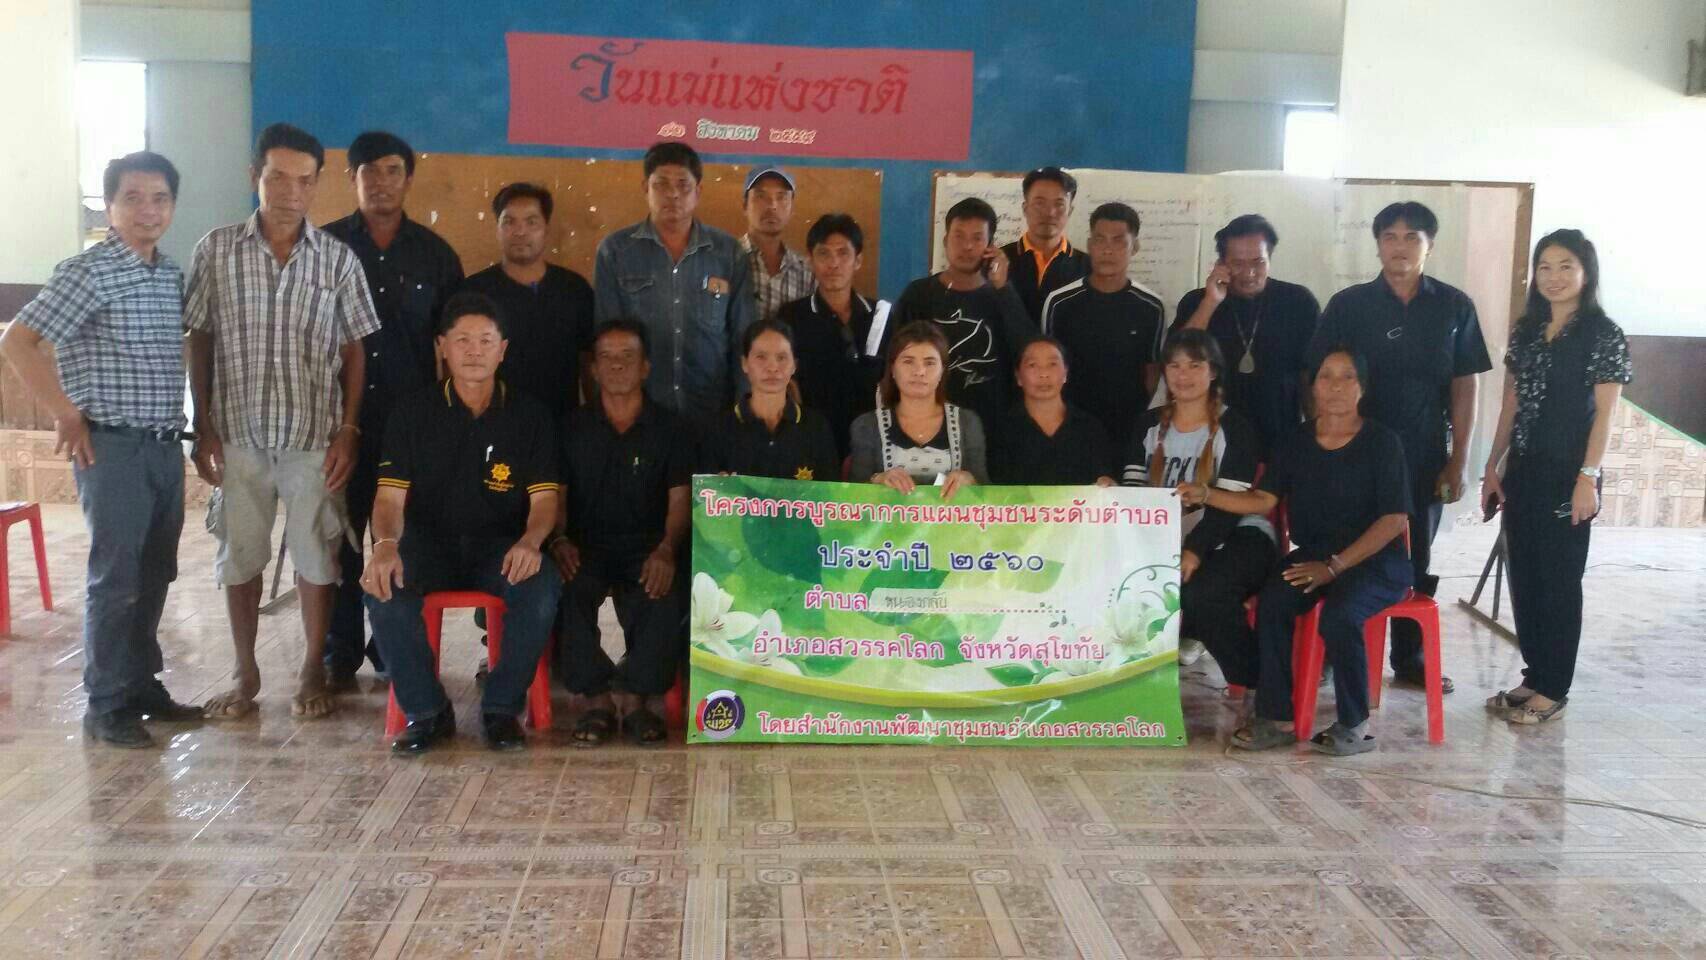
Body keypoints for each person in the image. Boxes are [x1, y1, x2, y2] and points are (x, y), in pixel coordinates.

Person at [0, 152, 203, 748]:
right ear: (110, 206)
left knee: (156, 570)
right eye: (132, 198)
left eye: (160, 198)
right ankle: (107, 703)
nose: (148, 210)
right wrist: (65, 412)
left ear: (172, 206)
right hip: (110, 449)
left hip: (163, 446)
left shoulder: (169, 275)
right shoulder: (87, 273)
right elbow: (18, 342)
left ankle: (140, 684)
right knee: (116, 577)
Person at [186, 123, 381, 720]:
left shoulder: (338, 259)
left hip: (312, 437)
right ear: (255, 177)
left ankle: (311, 668)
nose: (289, 192)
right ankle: (244, 672)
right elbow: (199, 335)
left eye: (303, 180)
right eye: (277, 177)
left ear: (317, 185)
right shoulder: (216, 250)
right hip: (238, 434)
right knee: (239, 555)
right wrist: (203, 424)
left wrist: (349, 428)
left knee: (317, 558)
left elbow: (355, 348)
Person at [360, 293, 560, 753]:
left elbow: (545, 500)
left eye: (485, 341)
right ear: (442, 347)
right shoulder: (412, 413)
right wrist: (385, 545)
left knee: (542, 586)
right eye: (462, 340)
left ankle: (502, 708)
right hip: (427, 546)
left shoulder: (530, 416)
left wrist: (531, 541)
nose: (474, 351)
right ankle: (427, 712)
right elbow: (389, 498)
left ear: (502, 349)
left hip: (499, 548)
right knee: (383, 589)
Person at [1190, 346, 1412, 755]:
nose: (1335, 386)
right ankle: (1276, 717)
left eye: (1347, 376)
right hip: (1315, 554)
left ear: (1362, 388)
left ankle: (1353, 723)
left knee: (1341, 615)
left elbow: (1394, 521)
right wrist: (1207, 494)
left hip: (1376, 561)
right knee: (1274, 602)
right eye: (1326, 376)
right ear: (1313, 387)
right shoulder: (1295, 441)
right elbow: (1263, 499)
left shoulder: (1383, 442)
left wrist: (1335, 567)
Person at [1310, 201, 1491, 694]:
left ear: (1429, 245)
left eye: (1412, 237)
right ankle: (1334, 650)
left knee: (1416, 555)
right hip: (1352, 451)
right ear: (1377, 244)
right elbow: (1319, 377)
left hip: (1422, 453)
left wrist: (1459, 460)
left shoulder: (1454, 306)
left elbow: (1465, 384)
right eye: (1390, 236)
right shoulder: (1348, 305)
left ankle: (1409, 658)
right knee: (1343, 544)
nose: (1400, 246)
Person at [320, 130, 465, 689]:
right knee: (338, 536)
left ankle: (390, 647)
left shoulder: (436, 255)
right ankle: (338, 653)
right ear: (351, 178)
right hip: (338, 423)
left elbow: (454, 345)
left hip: (412, 428)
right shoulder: (325, 248)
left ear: (408, 178)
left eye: (392, 171)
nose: (380, 182)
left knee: (400, 537)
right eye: (369, 172)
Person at [1480, 230, 1632, 725]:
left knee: (1559, 580)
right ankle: (1535, 674)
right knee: (1524, 574)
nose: (1554, 277)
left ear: (1586, 273)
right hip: (1523, 469)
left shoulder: (1602, 333)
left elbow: (1605, 415)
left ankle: (1554, 688)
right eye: (1544, 266)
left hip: (1570, 474)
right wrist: (1493, 465)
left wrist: (1588, 477)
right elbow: (1512, 403)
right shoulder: (1527, 331)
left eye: (1566, 266)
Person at [554, 319, 691, 747]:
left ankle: (636, 699)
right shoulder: (570, 427)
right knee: (560, 588)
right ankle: (596, 698)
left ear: (646, 367)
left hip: (647, 546)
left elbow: (680, 499)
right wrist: (558, 540)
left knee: (667, 591)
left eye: (627, 357)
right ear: (593, 369)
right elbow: (556, 495)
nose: (617, 366)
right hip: (585, 547)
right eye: (607, 358)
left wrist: (667, 549)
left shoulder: (671, 428)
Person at [1121, 330, 1274, 681]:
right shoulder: (1147, 425)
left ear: (1213, 371)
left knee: (1202, 594)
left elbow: (1228, 506)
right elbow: (1134, 494)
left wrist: (1194, 550)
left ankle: (1260, 681)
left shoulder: (1235, 427)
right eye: (1174, 366)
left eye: (1194, 365)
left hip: (1237, 535)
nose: (1183, 375)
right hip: (1165, 539)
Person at [594, 141, 754, 416]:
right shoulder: (616, 252)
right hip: (641, 414)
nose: (673, 194)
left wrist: (744, 410)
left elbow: (744, 337)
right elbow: (607, 340)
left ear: (698, 191)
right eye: (661, 184)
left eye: (683, 185)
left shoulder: (728, 253)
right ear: (645, 188)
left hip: (713, 411)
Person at [1174, 214, 1320, 457]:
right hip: (1209, 442)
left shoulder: (1298, 302)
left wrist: (1317, 436)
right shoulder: (1197, 302)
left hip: (1280, 441)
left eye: (1258, 262)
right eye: (1238, 263)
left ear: (1269, 258)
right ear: (1221, 263)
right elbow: (1177, 359)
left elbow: (1311, 376)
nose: (1249, 273)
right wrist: (1211, 302)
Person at [890, 198, 1032, 430]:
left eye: (977, 238)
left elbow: (1028, 353)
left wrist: (1003, 289)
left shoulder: (1004, 296)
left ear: (990, 246)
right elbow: (893, 360)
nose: (967, 246)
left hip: (993, 425)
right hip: (928, 425)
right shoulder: (918, 295)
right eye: (959, 236)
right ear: (945, 241)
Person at [460, 182, 595, 420]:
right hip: (493, 424)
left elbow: (589, 362)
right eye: (509, 222)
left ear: (546, 229)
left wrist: (594, 420)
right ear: (497, 228)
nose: (520, 232)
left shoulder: (574, 289)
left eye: (531, 222)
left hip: (561, 423)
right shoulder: (473, 293)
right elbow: (457, 364)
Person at [1039, 202, 1165, 445]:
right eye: (1100, 240)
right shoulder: (1059, 302)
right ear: (1089, 245)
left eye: (1118, 241)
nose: (1107, 250)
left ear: (1135, 247)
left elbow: (1152, 374)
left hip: (1127, 429)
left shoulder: (1151, 307)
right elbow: (1047, 367)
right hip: (1069, 427)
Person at [776, 213, 889, 458]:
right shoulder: (791, 316)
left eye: (843, 253)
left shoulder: (881, 316)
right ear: (810, 260)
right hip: (810, 443)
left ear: (858, 260)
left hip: (872, 446)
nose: (834, 263)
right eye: (824, 253)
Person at [849, 321, 987, 496]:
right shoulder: (866, 425)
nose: (919, 371)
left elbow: (986, 492)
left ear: (942, 371)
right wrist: (877, 480)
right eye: (908, 361)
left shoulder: (967, 422)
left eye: (929, 363)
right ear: (892, 369)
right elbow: (851, 495)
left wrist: (970, 481)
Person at [703, 317, 840, 482]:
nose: (773, 367)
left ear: (794, 365)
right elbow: (704, 493)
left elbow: (830, 494)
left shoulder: (816, 428)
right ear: (744, 363)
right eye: (761, 357)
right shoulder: (718, 429)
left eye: (782, 357)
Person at [988, 338, 1116, 486]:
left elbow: (1106, 482)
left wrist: (1109, 486)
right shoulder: (1002, 430)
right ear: (1018, 377)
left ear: (1065, 373)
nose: (1044, 374)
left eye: (1052, 364)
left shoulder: (1090, 428)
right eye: (1032, 365)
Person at [1000, 166, 1089, 324]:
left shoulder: (1087, 267)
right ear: (1025, 208)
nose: (1049, 213)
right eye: (1039, 203)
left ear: (1070, 211)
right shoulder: (999, 261)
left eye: (1059, 204)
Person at [737, 166, 814, 322]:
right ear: (745, 205)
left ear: (792, 209)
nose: (772, 205)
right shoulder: (725, 260)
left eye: (781, 197)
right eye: (761, 196)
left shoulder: (806, 272)